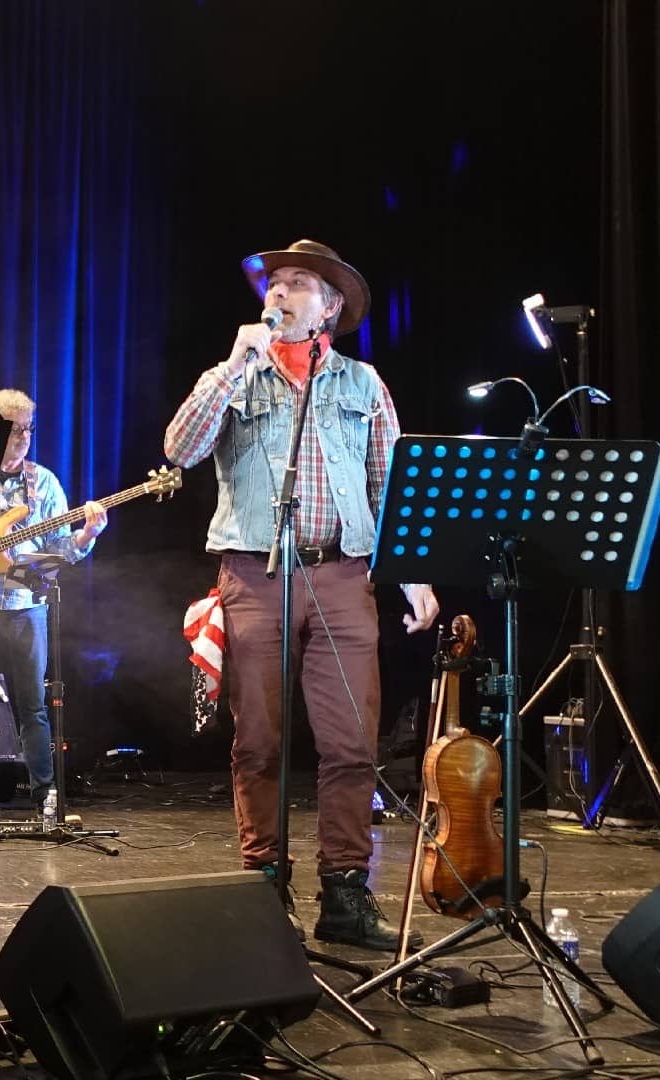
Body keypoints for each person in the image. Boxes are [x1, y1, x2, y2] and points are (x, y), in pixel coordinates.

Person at [164, 239, 439, 949]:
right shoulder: (235, 376)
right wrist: (233, 366)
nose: (280, 292)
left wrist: (412, 572)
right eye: (275, 281)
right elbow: (181, 449)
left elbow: (391, 485)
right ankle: (264, 883)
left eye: (298, 283)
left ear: (330, 307)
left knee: (352, 743)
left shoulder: (362, 383)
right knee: (258, 737)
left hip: (343, 575)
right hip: (256, 573)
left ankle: (345, 894)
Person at [0, 389, 106, 818]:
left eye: (28, 429)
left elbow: (55, 555)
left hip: (25, 602)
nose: (24, 437)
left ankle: (44, 792)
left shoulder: (45, 483)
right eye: (14, 429)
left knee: (32, 704)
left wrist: (86, 535)